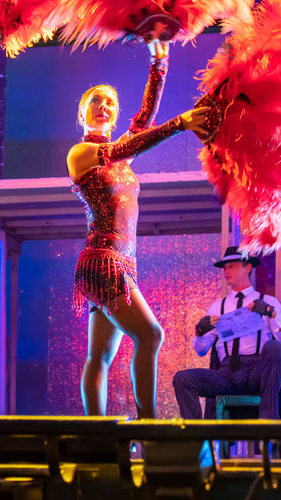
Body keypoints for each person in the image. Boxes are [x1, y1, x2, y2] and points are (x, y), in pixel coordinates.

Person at [67, 40, 210, 418]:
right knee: (151, 334)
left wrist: (159, 61)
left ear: (115, 116)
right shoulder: (81, 153)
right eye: (95, 101)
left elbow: (145, 117)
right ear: (82, 113)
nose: (103, 106)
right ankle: (148, 424)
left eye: (110, 103)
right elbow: (125, 148)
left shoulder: (122, 154)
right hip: (103, 263)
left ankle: (97, 434)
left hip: (122, 264)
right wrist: (179, 124)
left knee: (99, 355)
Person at [172, 246, 281, 419]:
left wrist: (271, 313)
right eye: (225, 267)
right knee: (182, 378)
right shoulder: (217, 307)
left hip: (259, 372)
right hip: (228, 373)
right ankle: (196, 434)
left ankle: (268, 422)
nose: (226, 271)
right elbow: (201, 351)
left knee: (274, 347)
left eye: (232, 266)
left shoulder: (268, 301)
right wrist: (199, 332)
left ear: (247, 267)